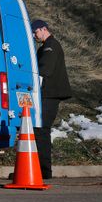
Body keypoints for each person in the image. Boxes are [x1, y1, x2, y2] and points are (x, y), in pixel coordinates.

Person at [31, 19, 72, 179]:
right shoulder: (47, 46)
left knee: (41, 131)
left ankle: (44, 171)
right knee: (39, 131)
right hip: (47, 94)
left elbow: (44, 70)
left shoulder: (51, 46)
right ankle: (40, 170)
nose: (34, 35)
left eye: (35, 32)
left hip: (50, 95)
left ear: (43, 29)